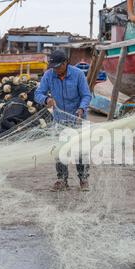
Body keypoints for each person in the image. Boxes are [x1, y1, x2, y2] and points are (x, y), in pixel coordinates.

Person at [34, 50, 92, 192]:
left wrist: (81, 109)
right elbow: (38, 94)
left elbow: (86, 95)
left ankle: (83, 179)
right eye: (53, 67)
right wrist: (46, 99)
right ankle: (62, 179)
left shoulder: (78, 74)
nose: (56, 69)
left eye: (58, 66)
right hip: (59, 120)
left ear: (66, 62)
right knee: (60, 151)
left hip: (78, 119)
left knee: (80, 151)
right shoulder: (49, 75)